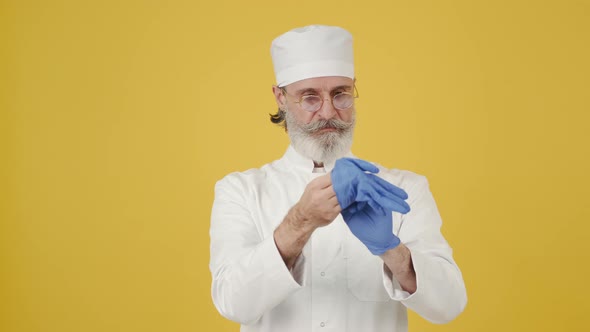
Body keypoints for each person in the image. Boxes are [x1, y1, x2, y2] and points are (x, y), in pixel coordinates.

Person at [209, 25, 467, 332]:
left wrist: (391, 250)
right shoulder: (241, 191)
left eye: (340, 94)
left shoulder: (402, 188)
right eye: (310, 98)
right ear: (280, 97)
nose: (328, 111)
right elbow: (233, 303)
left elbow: (449, 305)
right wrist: (300, 221)